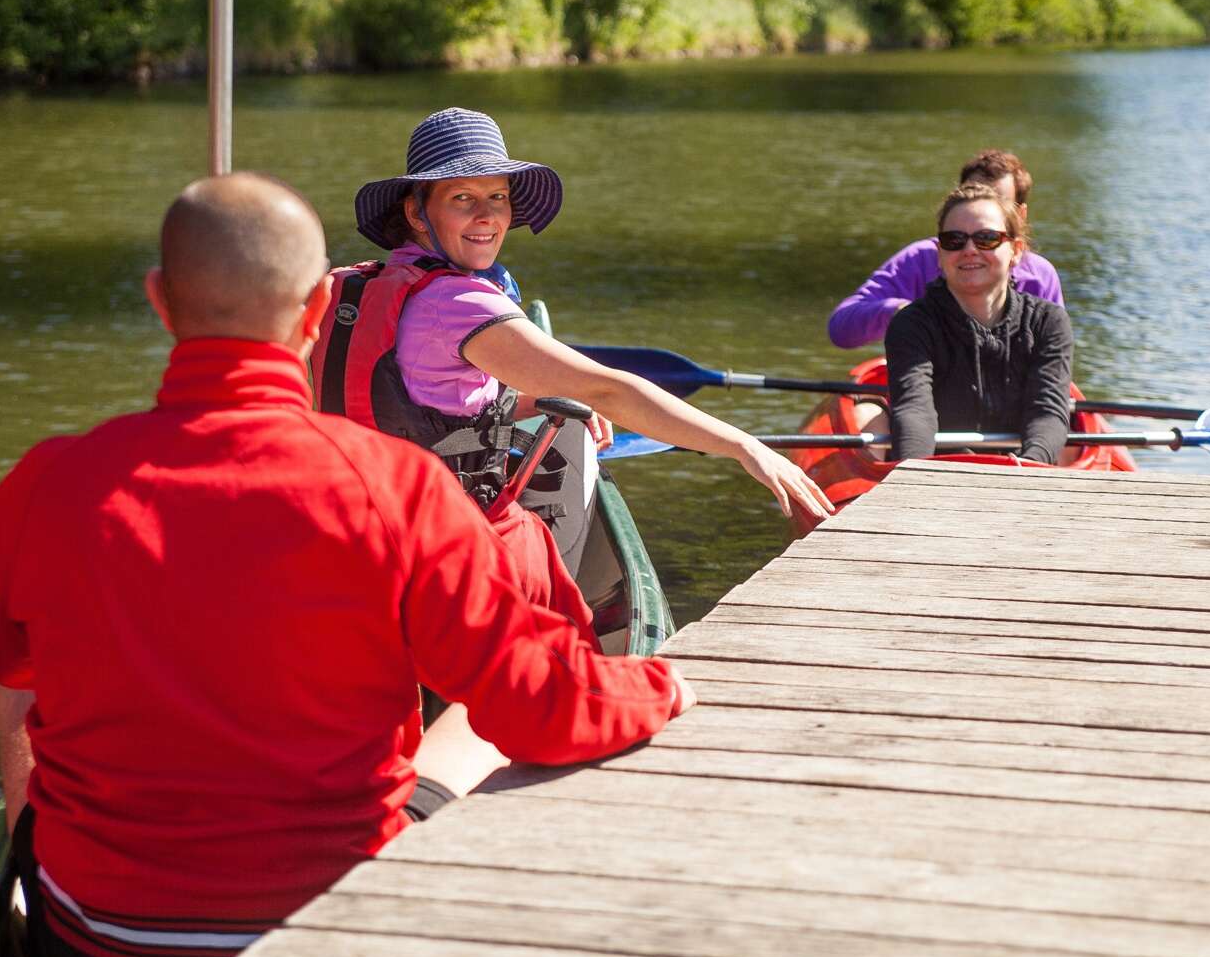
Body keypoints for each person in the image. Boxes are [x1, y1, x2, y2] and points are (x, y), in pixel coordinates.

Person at [0, 172, 694, 957]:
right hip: (324, 930)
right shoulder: (399, 489)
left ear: (159, 303)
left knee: (24, 675)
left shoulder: (49, 482)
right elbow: (539, 704)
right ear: (316, 312)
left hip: (97, 936)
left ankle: (27, 894)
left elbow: (7, 661)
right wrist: (656, 686)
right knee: (479, 715)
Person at [321, 107, 832, 613]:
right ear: (416, 212)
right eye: (463, 198)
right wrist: (745, 447)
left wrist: (546, 399)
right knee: (548, 519)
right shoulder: (459, 304)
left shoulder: (360, 289)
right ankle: (552, 636)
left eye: (497, 196)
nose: (488, 216)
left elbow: (417, 405)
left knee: (566, 422)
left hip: (358, 519)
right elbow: (609, 388)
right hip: (438, 537)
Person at [882, 182, 1072, 463]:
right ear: (940, 253)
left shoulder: (1049, 322)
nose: (969, 249)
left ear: (1016, 250)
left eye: (986, 238)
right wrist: (915, 476)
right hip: (941, 471)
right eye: (954, 240)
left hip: (1024, 469)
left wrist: (1030, 469)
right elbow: (914, 411)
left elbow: (1047, 412)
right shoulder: (910, 324)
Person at [828, 149, 1064, 349]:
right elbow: (841, 328)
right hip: (924, 386)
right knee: (865, 407)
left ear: (1020, 217)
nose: (970, 250)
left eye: (996, 202)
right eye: (971, 197)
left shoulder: (1040, 277)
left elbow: (1051, 358)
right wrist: (904, 312)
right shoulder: (919, 259)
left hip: (1014, 397)